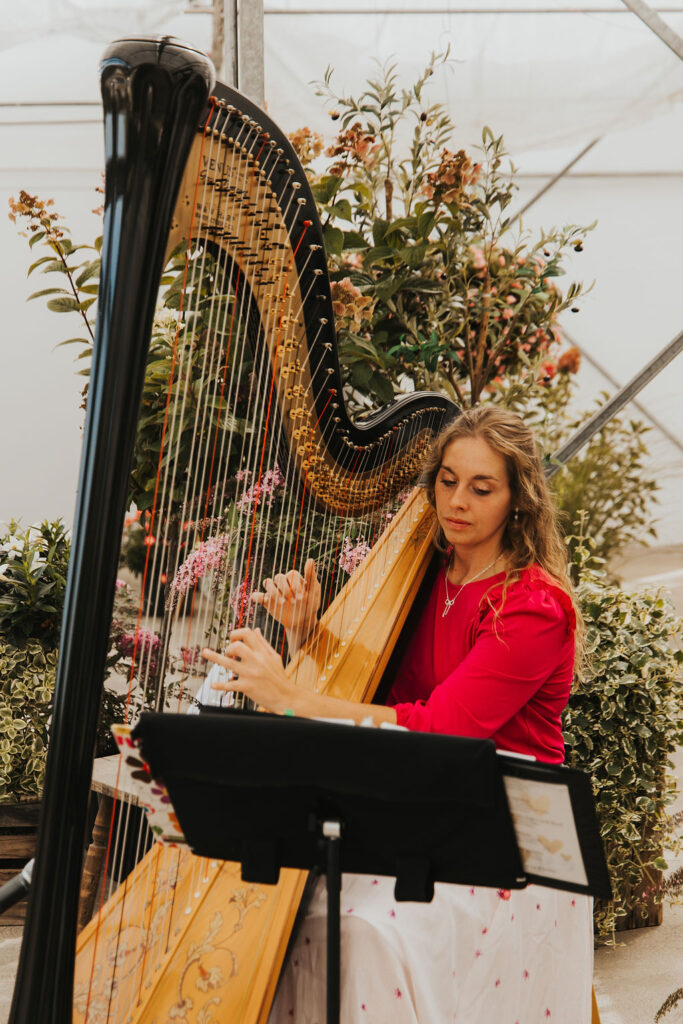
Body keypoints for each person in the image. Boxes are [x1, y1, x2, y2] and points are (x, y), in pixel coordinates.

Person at [203, 405, 594, 1024]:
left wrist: (290, 697)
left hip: (507, 838)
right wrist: (310, 630)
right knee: (288, 911)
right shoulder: (424, 574)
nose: (457, 501)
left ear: (518, 501)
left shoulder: (532, 609)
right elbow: (388, 694)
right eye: (447, 480)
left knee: (360, 932)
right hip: (415, 812)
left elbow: (441, 728)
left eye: (481, 487)